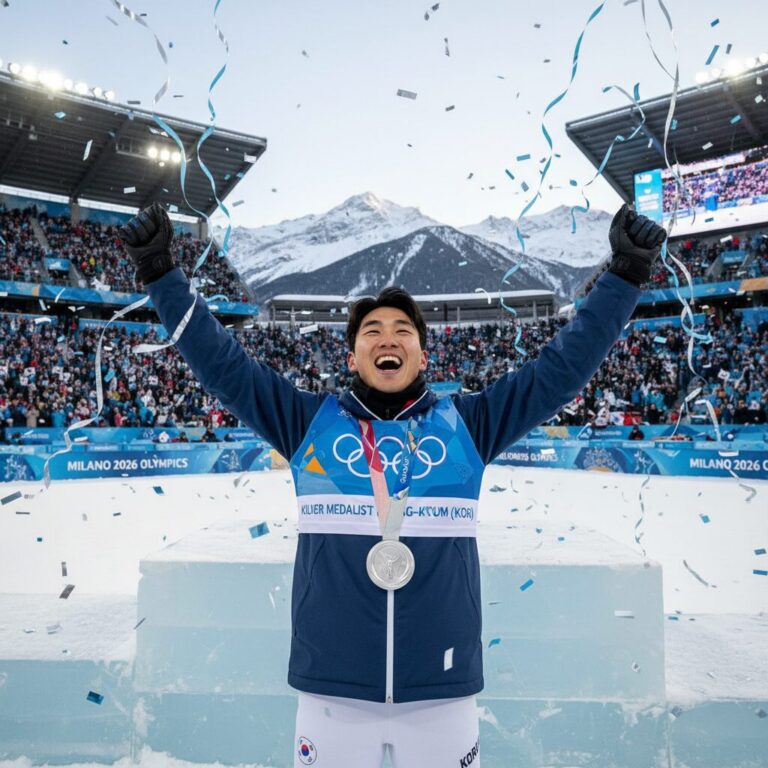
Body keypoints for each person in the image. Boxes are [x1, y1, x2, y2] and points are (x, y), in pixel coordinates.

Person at [119, 202, 665, 768]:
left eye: (403, 330)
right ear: (353, 355)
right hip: (331, 690)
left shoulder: (468, 427)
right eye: (372, 330)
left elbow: (560, 370)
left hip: (442, 691)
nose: (389, 337)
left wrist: (623, 275)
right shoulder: (309, 424)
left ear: (422, 354)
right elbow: (222, 364)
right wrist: (161, 273)